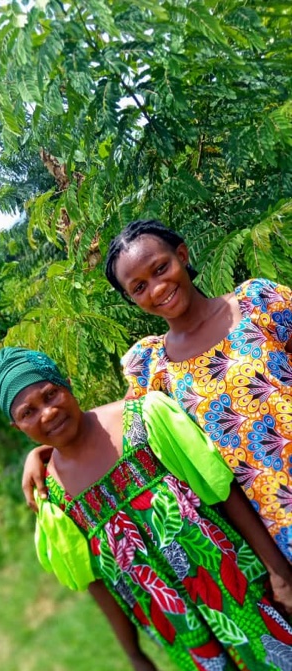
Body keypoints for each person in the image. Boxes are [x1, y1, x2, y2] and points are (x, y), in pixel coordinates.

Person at [0, 346, 292, 671]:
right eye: (28, 412)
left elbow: (219, 489)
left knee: (284, 663)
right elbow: (96, 584)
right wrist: (134, 654)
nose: (46, 413)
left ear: (68, 384)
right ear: (16, 426)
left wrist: (278, 573)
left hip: (236, 589)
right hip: (176, 628)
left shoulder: (142, 421)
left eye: (50, 394)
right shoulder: (52, 499)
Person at [104, 219, 292, 563]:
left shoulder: (256, 303)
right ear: (132, 299)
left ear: (182, 254)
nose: (158, 288)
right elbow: (116, 432)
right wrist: (43, 453)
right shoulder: (153, 370)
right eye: (139, 287)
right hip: (277, 524)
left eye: (161, 268)